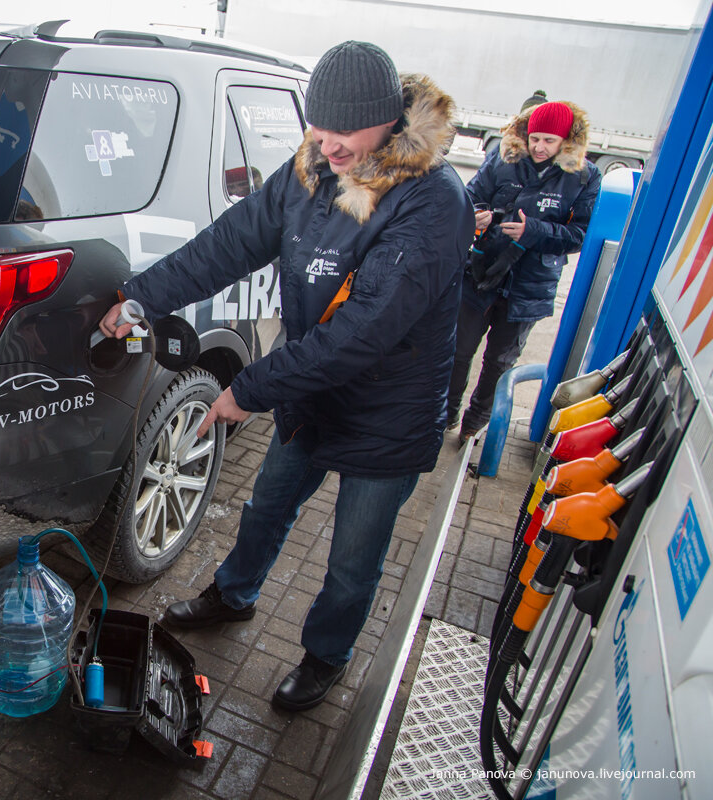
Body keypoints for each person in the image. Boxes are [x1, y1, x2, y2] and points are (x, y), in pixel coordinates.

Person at [99, 41, 472, 712]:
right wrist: (143, 296)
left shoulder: (432, 200)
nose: (329, 147)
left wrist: (251, 388)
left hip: (390, 410)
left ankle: (326, 654)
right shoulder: (309, 171)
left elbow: (364, 330)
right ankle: (234, 595)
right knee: (267, 503)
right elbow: (230, 243)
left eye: (345, 132)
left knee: (353, 556)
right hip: (313, 391)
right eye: (319, 129)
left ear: (388, 120)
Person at [447, 100, 601, 442]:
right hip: (483, 273)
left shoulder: (584, 177)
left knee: (500, 362)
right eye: (534, 138)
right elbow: (469, 198)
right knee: (457, 350)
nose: (539, 147)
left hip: (530, 285)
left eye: (548, 140)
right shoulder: (504, 159)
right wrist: (477, 215)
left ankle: (476, 422)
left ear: (565, 141)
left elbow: (580, 236)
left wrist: (535, 232)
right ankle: (445, 415)